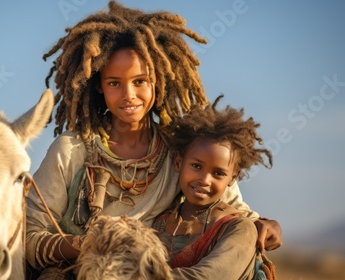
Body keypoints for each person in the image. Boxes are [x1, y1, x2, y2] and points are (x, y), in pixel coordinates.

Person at [25, 1, 281, 279]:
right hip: (93, 270)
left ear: (158, 80)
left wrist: (265, 224)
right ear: (98, 84)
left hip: (165, 268)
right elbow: (30, 236)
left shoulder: (181, 148)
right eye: (114, 83)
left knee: (243, 230)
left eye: (140, 81)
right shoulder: (71, 150)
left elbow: (232, 209)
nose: (128, 95)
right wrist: (90, 244)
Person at [152, 95, 275, 279]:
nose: (205, 180)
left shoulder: (239, 228)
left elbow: (208, 277)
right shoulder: (160, 223)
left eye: (218, 173)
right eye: (196, 166)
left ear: (233, 177)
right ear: (178, 163)